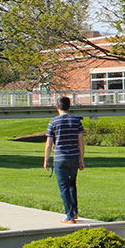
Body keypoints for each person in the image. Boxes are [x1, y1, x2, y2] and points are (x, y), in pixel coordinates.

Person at [42, 95, 85, 223]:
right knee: (72, 184)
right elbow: (81, 142)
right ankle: (75, 211)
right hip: (73, 158)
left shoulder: (53, 122)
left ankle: (70, 216)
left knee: (64, 187)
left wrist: (46, 159)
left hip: (60, 158)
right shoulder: (76, 121)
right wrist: (81, 159)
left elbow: (49, 143)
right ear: (69, 106)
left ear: (57, 107)